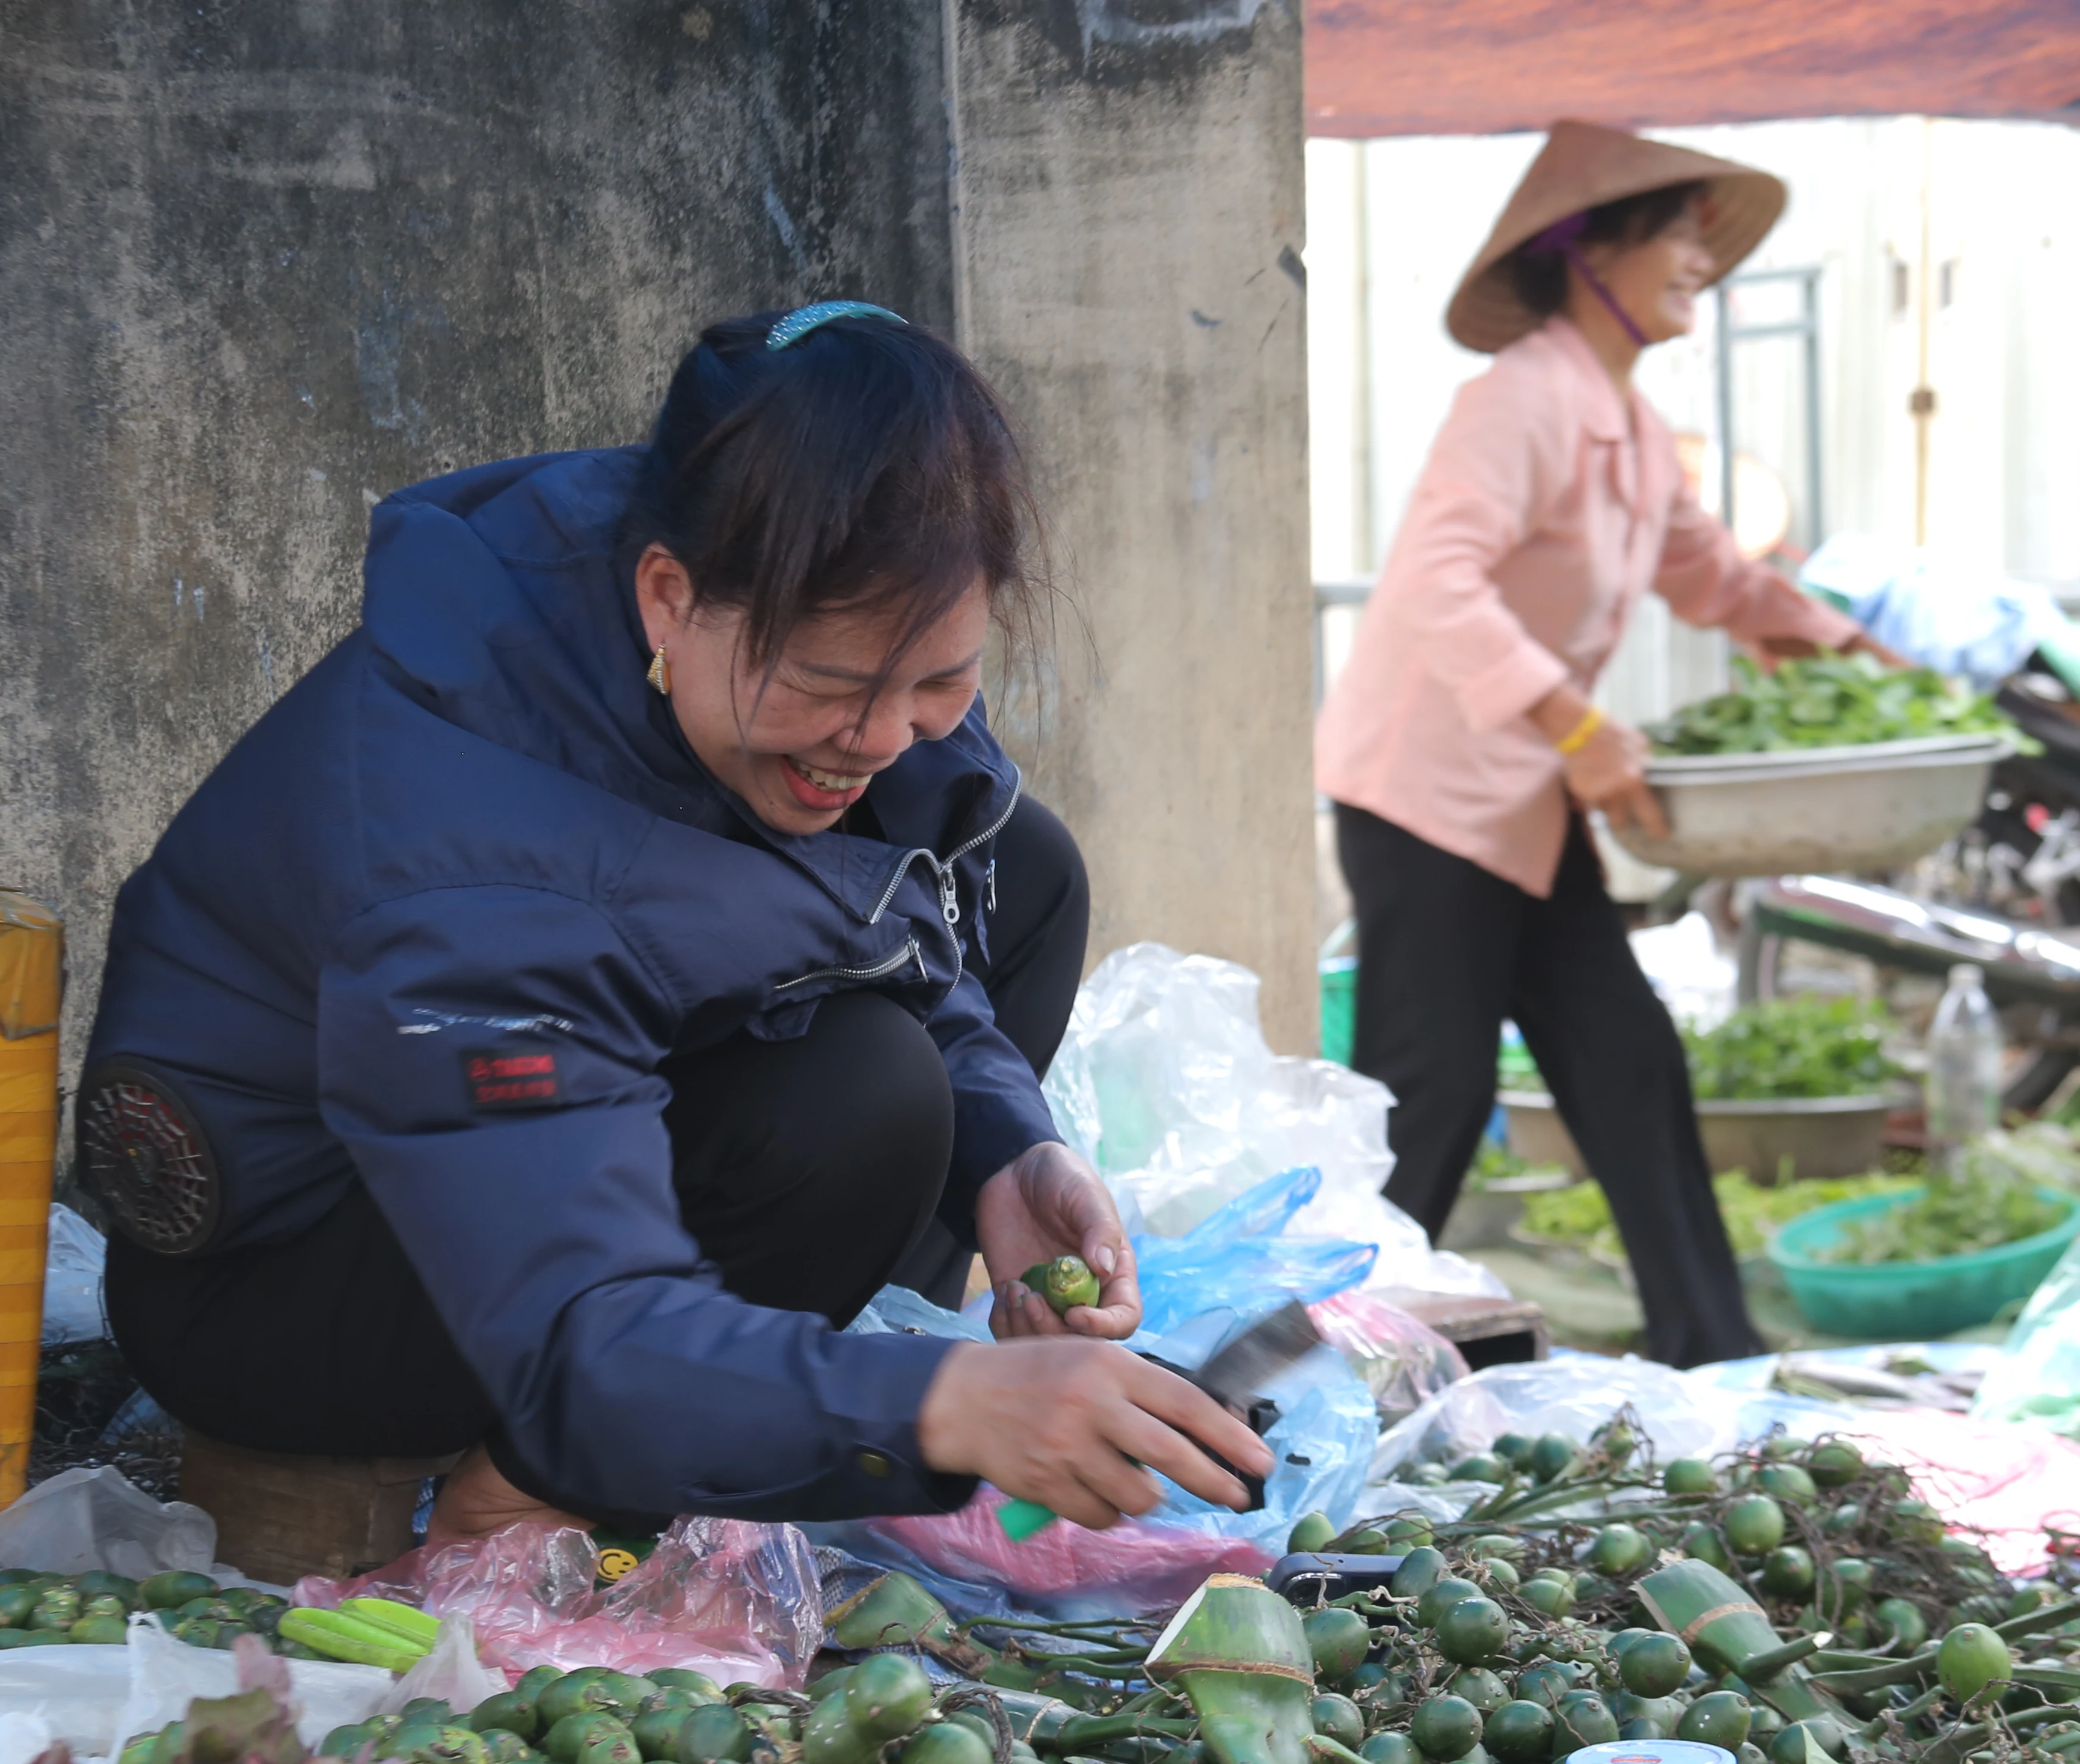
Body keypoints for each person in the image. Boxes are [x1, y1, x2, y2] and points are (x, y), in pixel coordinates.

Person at [76, 302, 1271, 1543]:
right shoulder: (474, 862)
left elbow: (894, 907)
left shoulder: (774, 582)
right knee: (861, 1096)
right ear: (666, 598)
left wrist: (1009, 1153)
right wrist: (944, 1408)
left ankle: (782, 1400)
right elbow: (576, 1323)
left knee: (1021, 874)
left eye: (940, 681)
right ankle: (549, 1484)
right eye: (825, 686)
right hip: (293, 1290)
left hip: (529, 1131)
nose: (876, 734)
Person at [1316, 121, 1901, 1366]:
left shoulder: (1628, 428)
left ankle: (1714, 1345)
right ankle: (1324, 1367)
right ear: (1591, 250)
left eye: (1701, 233)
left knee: (1628, 1059)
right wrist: (1578, 724)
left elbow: (1712, 574)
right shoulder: (1518, 402)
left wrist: (1851, 652)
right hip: (1428, 796)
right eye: (1678, 232)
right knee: (1434, 1095)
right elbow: (1433, 586)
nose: (1701, 257)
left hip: (1525, 801)